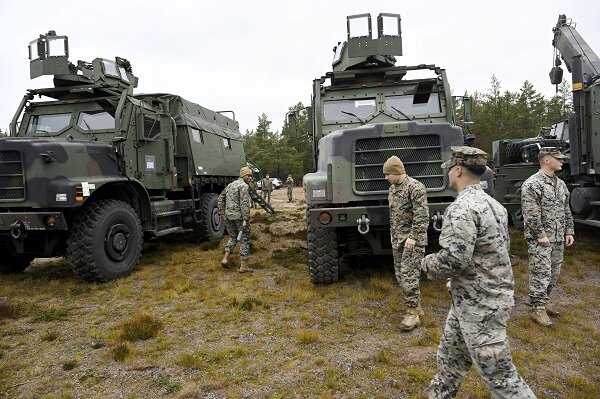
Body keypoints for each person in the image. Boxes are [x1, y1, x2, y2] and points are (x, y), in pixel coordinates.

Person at [420, 146, 535, 399]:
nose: (448, 174)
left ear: (458, 170)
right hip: (470, 300)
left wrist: (424, 263)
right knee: (450, 358)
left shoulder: (461, 209)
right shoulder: (494, 205)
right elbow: (492, 252)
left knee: (502, 378)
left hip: (482, 306)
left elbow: (453, 260)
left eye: (449, 169)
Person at [521, 147, 574, 327]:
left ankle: (543, 302)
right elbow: (530, 213)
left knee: (553, 272)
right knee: (540, 272)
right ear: (546, 160)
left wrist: (569, 231)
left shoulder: (560, 184)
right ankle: (538, 309)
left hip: (558, 237)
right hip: (541, 238)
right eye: (558, 158)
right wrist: (540, 235)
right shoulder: (532, 184)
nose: (562, 161)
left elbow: (566, 210)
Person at [383, 155, 429, 331]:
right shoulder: (393, 189)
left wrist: (413, 237)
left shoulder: (415, 188)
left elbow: (422, 216)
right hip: (398, 240)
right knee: (401, 276)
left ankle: (412, 314)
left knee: (409, 276)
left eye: (388, 174)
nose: (386, 178)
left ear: (397, 172)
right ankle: (416, 306)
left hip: (412, 241)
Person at [218, 166, 253, 273]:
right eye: (248, 175)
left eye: (251, 176)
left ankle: (225, 259)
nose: (250, 178)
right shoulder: (243, 186)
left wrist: (222, 212)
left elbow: (220, 198)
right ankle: (244, 267)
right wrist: (245, 219)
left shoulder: (230, 185)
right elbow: (244, 203)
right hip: (239, 217)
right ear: (243, 176)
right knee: (244, 239)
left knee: (233, 237)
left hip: (229, 216)